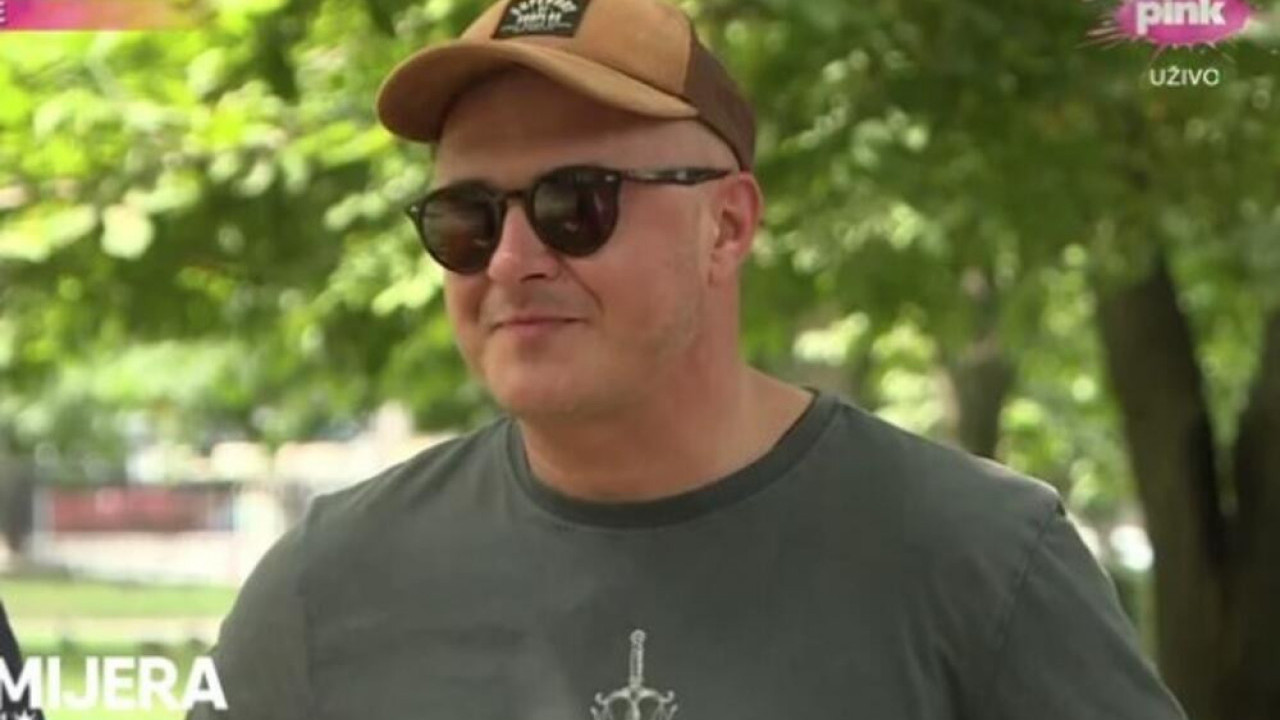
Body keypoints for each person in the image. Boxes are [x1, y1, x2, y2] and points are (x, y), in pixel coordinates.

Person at [191, 0, 1190, 717]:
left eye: (576, 204)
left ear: (728, 225)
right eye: (466, 217)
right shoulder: (324, 587)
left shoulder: (980, 562)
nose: (509, 259)